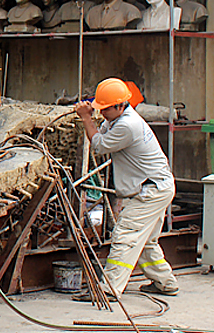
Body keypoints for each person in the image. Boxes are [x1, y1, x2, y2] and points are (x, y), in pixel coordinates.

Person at [72, 78, 179, 301]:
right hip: (157, 186)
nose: (102, 114)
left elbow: (99, 145)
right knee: (147, 241)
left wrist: (85, 117)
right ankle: (165, 283)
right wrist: (92, 114)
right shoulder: (118, 118)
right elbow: (100, 133)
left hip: (151, 190)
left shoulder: (127, 125)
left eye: (105, 109)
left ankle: (108, 290)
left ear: (120, 105)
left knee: (125, 237)